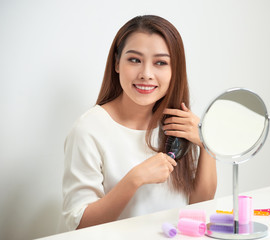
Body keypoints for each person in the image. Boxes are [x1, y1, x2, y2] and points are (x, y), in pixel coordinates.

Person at [62, 15, 217, 231]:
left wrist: (207, 144)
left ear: (175, 71)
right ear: (117, 63)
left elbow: (199, 207)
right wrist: (134, 179)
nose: (146, 74)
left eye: (160, 63)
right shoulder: (88, 130)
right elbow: (80, 225)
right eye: (134, 60)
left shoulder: (180, 124)